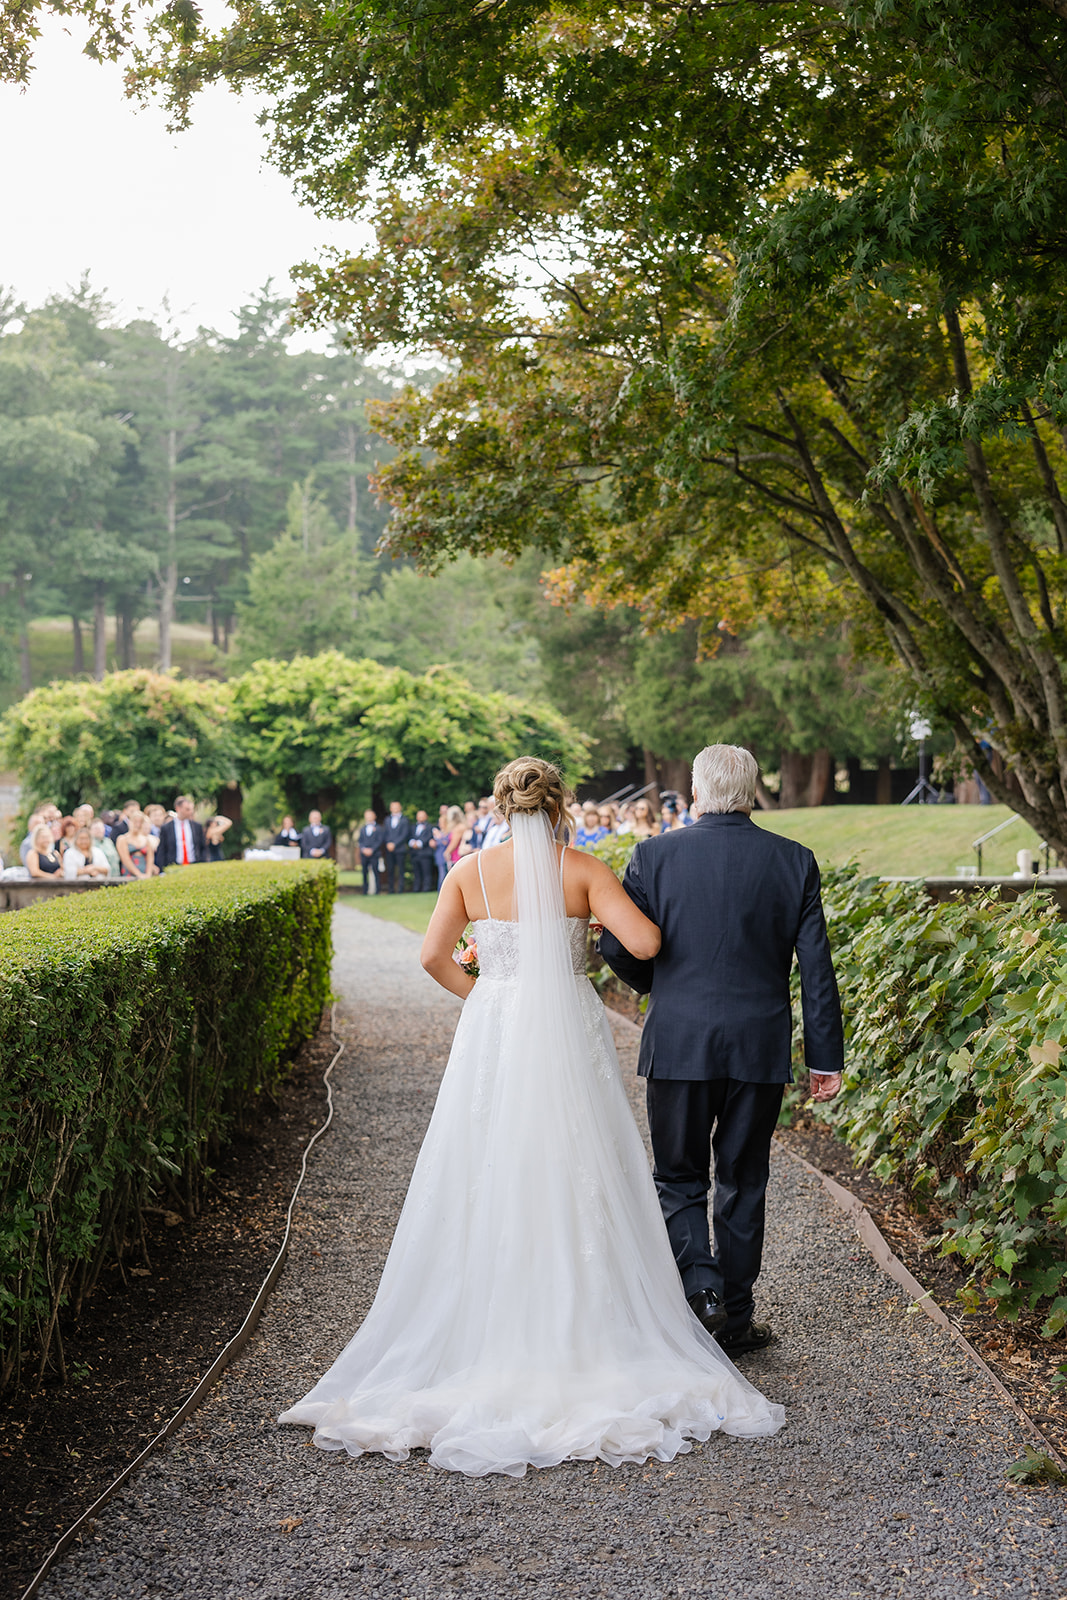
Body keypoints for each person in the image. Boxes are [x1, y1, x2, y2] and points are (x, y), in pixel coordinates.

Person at [279, 756, 783, 1475]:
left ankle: (486, 1315)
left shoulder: (470, 872)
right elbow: (643, 944)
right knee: (579, 1158)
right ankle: (590, 1319)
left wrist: (488, 996)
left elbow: (431, 957)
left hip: (496, 1027)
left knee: (486, 1160)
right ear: (558, 805)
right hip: (566, 1022)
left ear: (500, 804)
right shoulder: (581, 868)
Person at [598, 744, 844, 1354]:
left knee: (678, 1176)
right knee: (744, 1177)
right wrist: (824, 1056)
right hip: (759, 1046)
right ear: (753, 790)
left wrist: (667, 990)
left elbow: (617, 948)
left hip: (679, 1041)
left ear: (698, 791)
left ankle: (700, 1289)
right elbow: (817, 968)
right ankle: (735, 1315)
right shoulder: (794, 861)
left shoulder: (653, 856)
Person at [155, 796, 207, 871]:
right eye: (187, 809)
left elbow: (203, 847)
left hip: (194, 865)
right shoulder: (167, 828)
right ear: (178, 808)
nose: (190, 812)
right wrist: (162, 869)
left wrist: (203, 863)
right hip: (174, 866)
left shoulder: (196, 826)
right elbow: (162, 849)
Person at [117, 809, 158, 879]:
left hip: (145, 872)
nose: (138, 825)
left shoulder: (146, 840)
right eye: (135, 822)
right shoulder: (122, 839)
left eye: (140, 822)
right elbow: (125, 859)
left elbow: (150, 859)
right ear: (130, 822)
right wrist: (138, 874)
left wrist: (148, 874)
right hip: (129, 874)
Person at [382, 800, 412, 892]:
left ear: (400, 808)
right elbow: (385, 833)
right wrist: (388, 843)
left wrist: (394, 844)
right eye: (393, 807)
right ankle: (391, 889)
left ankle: (400, 889)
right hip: (389, 849)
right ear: (390, 809)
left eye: (396, 807)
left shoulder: (405, 820)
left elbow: (405, 834)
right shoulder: (387, 820)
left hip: (400, 849)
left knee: (401, 870)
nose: (395, 809)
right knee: (390, 870)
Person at [408, 810, 436, 892]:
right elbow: (409, 836)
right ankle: (416, 889)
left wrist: (420, 843)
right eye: (419, 816)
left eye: (422, 816)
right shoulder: (412, 827)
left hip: (425, 854)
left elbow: (429, 837)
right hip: (414, 854)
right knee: (416, 873)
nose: (421, 817)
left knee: (426, 873)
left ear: (426, 817)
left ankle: (426, 889)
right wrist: (413, 843)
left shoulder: (430, 827)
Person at [357, 810, 383, 894]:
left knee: (376, 872)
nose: (368, 818)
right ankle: (365, 890)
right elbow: (360, 841)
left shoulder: (378, 828)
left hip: (374, 853)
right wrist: (363, 849)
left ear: (374, 817)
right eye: (367, 816)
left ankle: (377, 890)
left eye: (370, 816)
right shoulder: (362, 828)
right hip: (364, 854)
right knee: (364, 873)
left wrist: (372, 849)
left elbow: (379, 840)